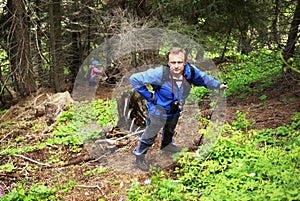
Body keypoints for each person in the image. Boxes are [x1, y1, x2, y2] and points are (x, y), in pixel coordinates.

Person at [129, 47, 228, 171]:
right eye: (173, 63)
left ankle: (167, 145)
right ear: (168, 63)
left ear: (185, 62)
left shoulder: (190, 71)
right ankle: (139, 155)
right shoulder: (160, 73)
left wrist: (218, 86)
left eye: (179, 62)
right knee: (150, 134)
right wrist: (150, 97)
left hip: (175, 109)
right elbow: (134, 79)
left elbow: (204, 79)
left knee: (170, 129)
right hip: (158, 110)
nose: (176, 66)